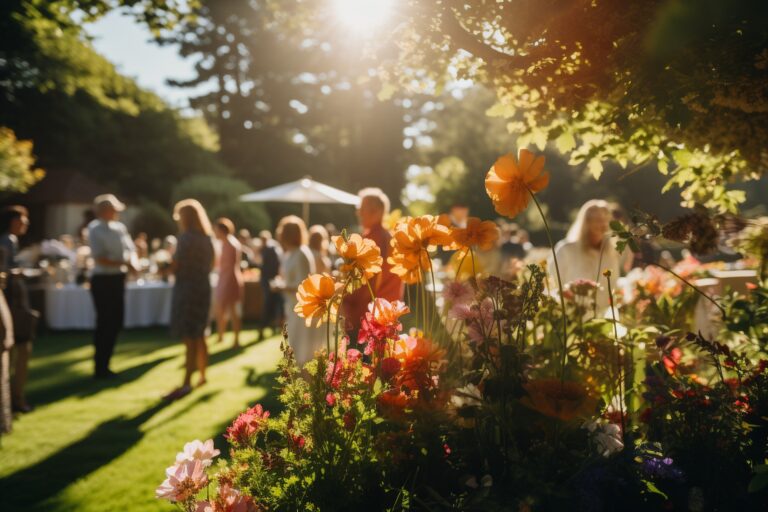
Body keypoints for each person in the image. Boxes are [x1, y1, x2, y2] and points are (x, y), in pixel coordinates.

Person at [165, 199, 215, 400]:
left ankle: (186, 382)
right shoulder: (207, 238)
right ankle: (202, 375)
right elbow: (212, 264)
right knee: (200, 332)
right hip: (203, 287)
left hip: (187, 288)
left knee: (189, 336)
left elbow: (175, 265)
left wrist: (167, 267)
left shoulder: (185, 238)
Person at [342, 188, 404, 335]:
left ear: (377, 212)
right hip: (385, 313)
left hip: (368, 316)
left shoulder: (375, 238)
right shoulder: (388, 237)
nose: (359, 213)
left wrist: (351, 305)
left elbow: (371, 279)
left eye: (362, 209)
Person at [88, 195, 136, 379]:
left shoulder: (120, 228)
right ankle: (100, 366)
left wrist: (132, 263)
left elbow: (130, 250)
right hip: (103, 280)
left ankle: (106, 364)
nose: (117, 213)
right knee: (104, 323)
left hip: (117, 278)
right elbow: (100, 258)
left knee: (116, 322)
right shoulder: (95, 229)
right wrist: (124, 263)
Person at [551, 199, 621, 312]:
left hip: (600, 319)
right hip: (570, 317)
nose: (602, 224)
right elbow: (553, 283)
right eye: (597, 219)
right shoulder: (566, 249)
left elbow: (613, 285)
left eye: (606, 219)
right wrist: (574, 303)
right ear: (586, 222)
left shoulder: (611, 253)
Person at [0, 206, 38, 413]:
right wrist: (22, 273)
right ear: (12, 222)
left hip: (11, 303)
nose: (26, 224)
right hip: (12, 304)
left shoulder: (9, 241)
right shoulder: (8, 241)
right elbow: (5, 273)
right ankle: (16, 399)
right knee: (20, 350)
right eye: (22, 220)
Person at [274, 216, 321, 366]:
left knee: (301, 354)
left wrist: (282, 287)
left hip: (301, 311)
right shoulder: (291, 254)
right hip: (292, 308)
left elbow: (304, 285)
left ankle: (305, 385)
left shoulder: (301, 254)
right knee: (294, 349)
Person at [214, 218, 244, 347]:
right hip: (225, 280)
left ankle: (235, 339)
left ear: (221, 230)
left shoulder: (230, 244)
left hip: (229, 280)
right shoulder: (227, 243)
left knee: (231, 310)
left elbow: (230, 266)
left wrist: (224, 284)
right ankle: (221, 336)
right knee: (222, 309)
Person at [258, 230, 283, 334]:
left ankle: (264, 327)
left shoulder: (268, 249)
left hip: (269, 280)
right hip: (271, 280)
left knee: (269, 304)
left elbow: (263, 265)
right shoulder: (273, 248)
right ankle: (270, 327)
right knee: (272, 304)